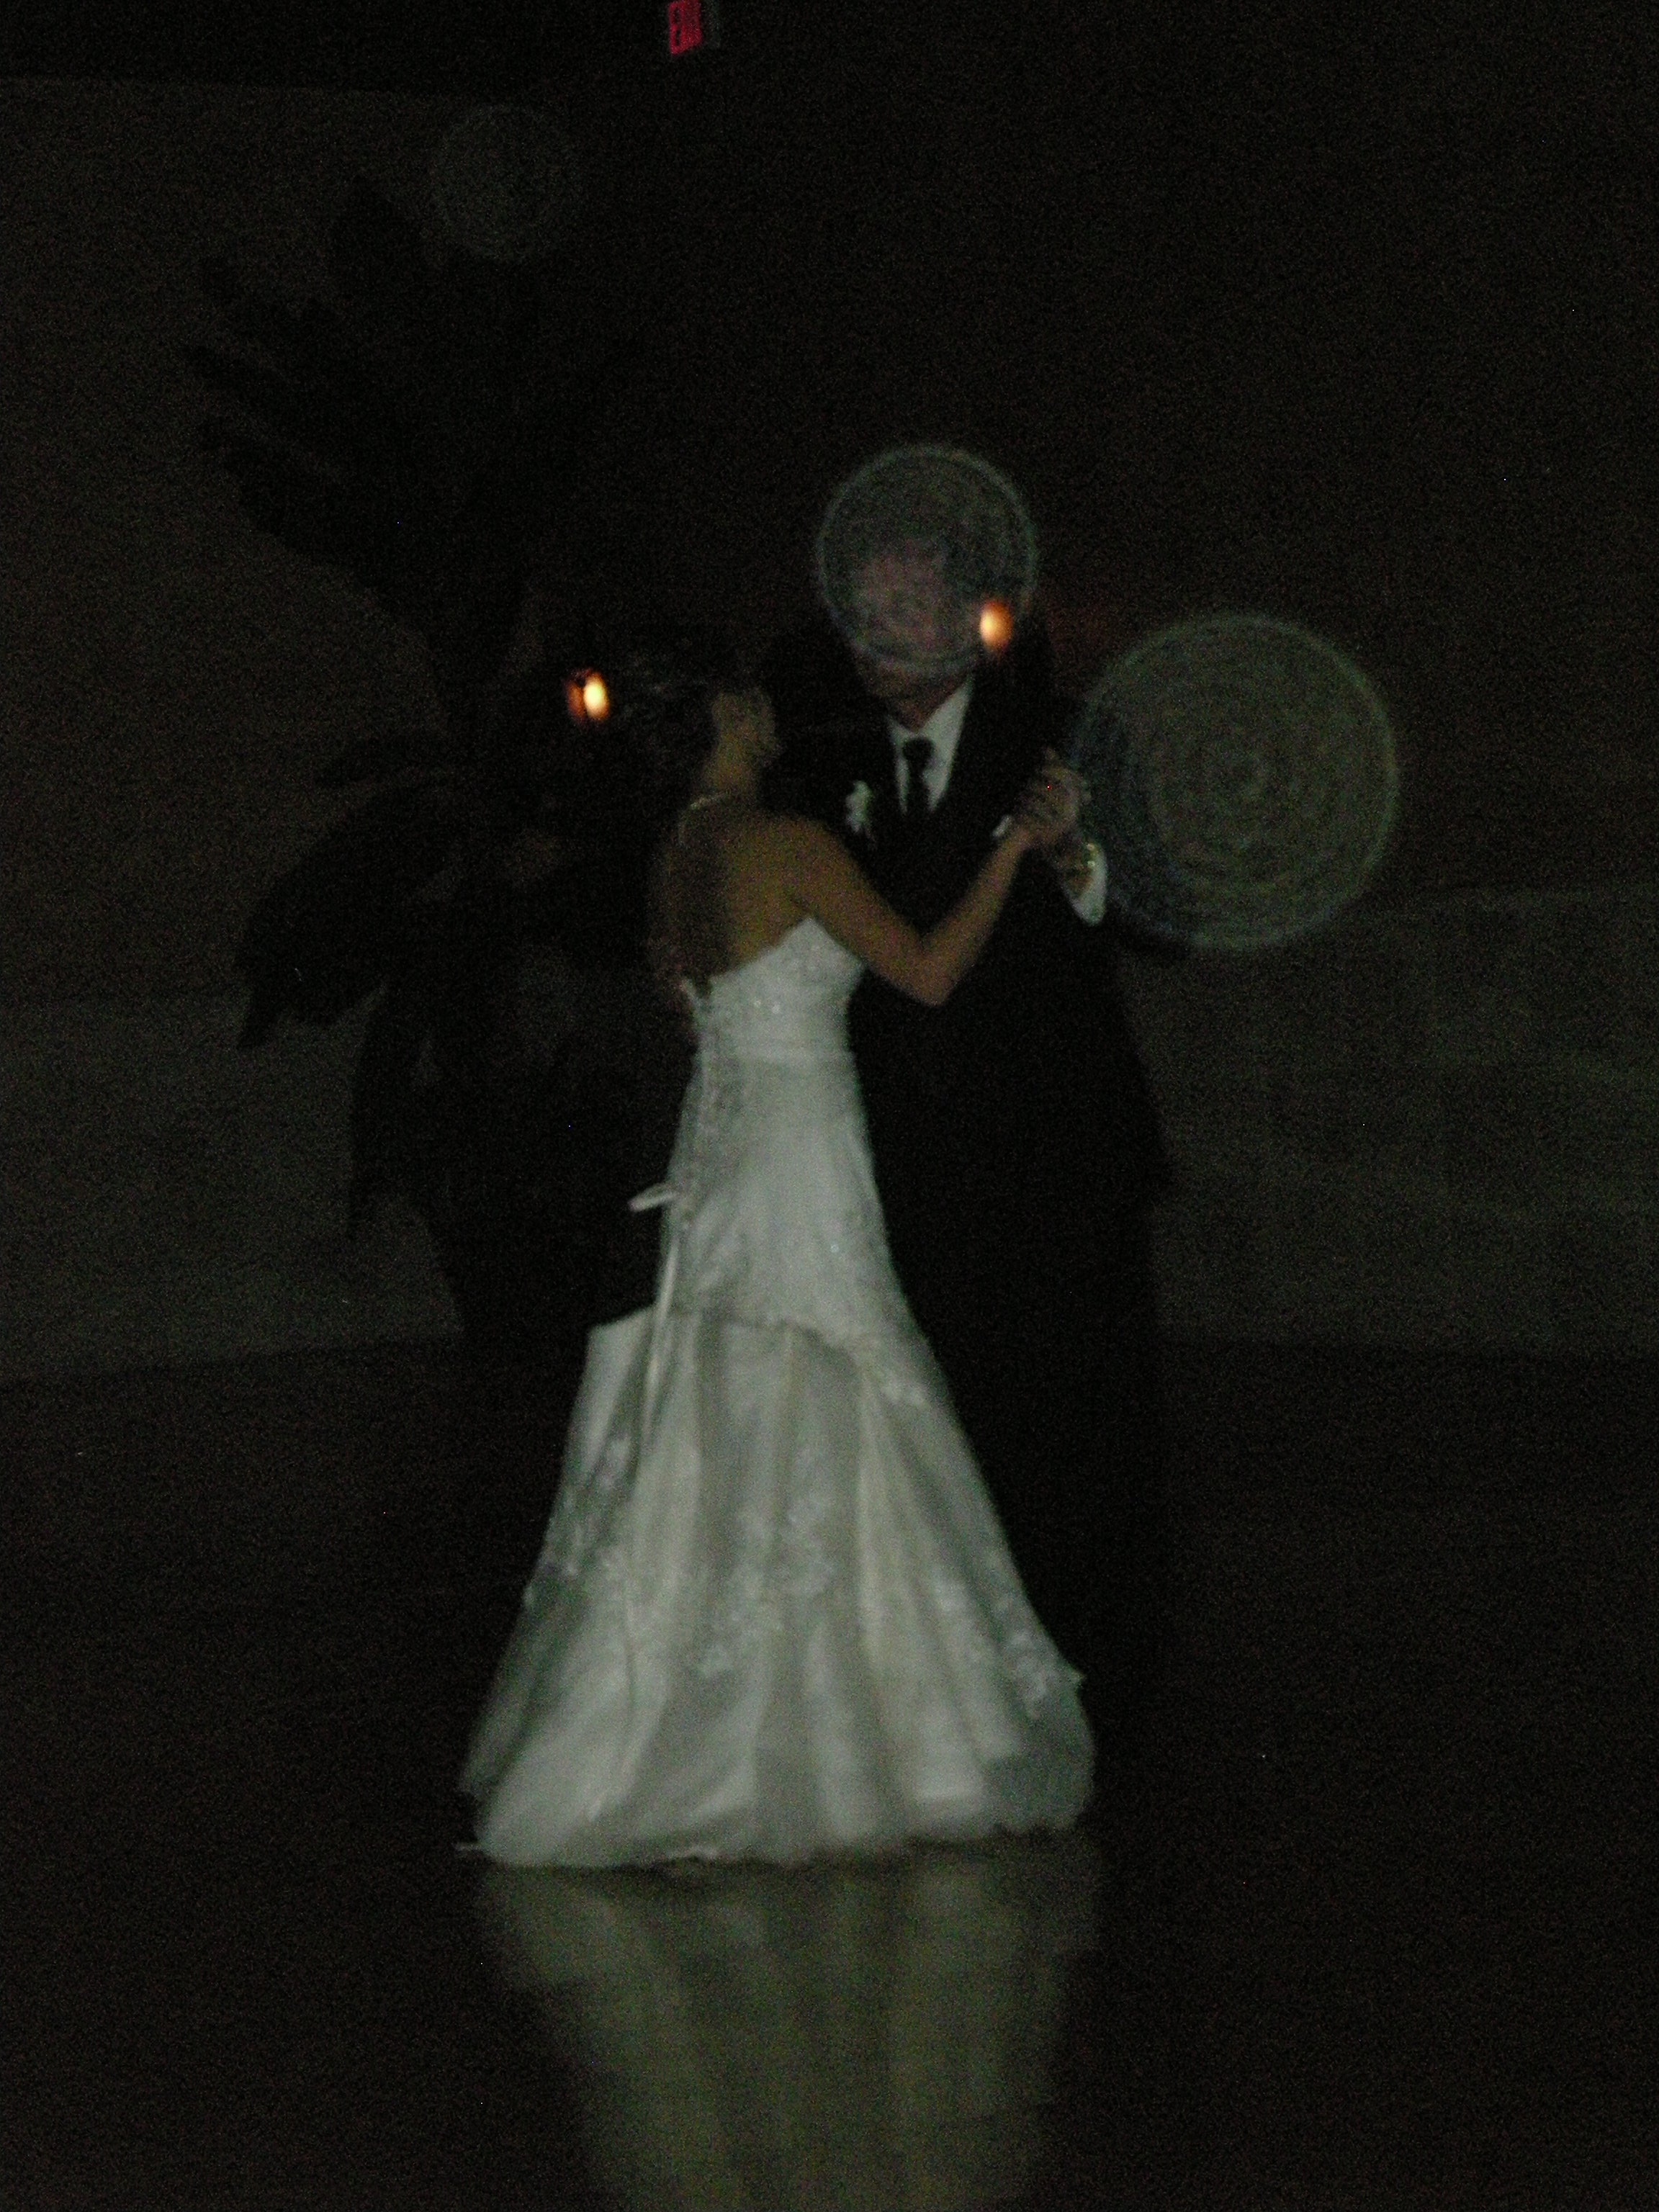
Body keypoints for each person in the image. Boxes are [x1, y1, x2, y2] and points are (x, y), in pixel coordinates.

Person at [461, 641, 1094, 1866]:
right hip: (799, 1145)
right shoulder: (787, 843)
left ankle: (698, 1728)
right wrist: (1015, 848)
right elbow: (926, 973)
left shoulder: (678, 856)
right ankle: (862, 1741)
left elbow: (688, 1003)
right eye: (744, 699)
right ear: (719, 724)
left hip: (724, 1148)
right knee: (840, 1376)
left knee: (732, 1407)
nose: (765, 709)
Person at [764, 558, 1175, 1759]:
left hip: (1058, 1149)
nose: (876, 638)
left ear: (960, 623)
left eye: (901, 611)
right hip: (904, 1158)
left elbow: (1165, 921)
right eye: (859, 619)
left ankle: (1110, 1674)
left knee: (1085, 1423)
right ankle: (983, 1670)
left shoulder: (1060, 738)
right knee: (954, 1426)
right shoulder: (826, 767)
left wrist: (1079, 858)